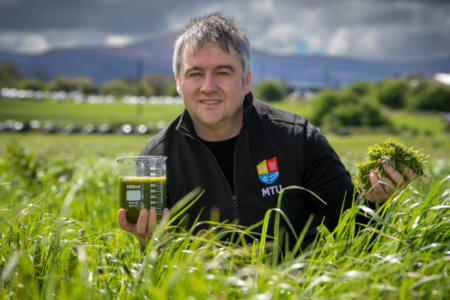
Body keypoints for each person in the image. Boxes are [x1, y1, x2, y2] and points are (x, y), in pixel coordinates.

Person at [118, 13, 414, 248]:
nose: (208, 87)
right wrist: (151, 245)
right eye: (195, 74)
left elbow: (354, 234)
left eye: (223, 72)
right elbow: (156, 268)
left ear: (246, 81)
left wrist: (378, 202)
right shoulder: (155, 159)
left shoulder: (299, 139)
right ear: (179, 83)